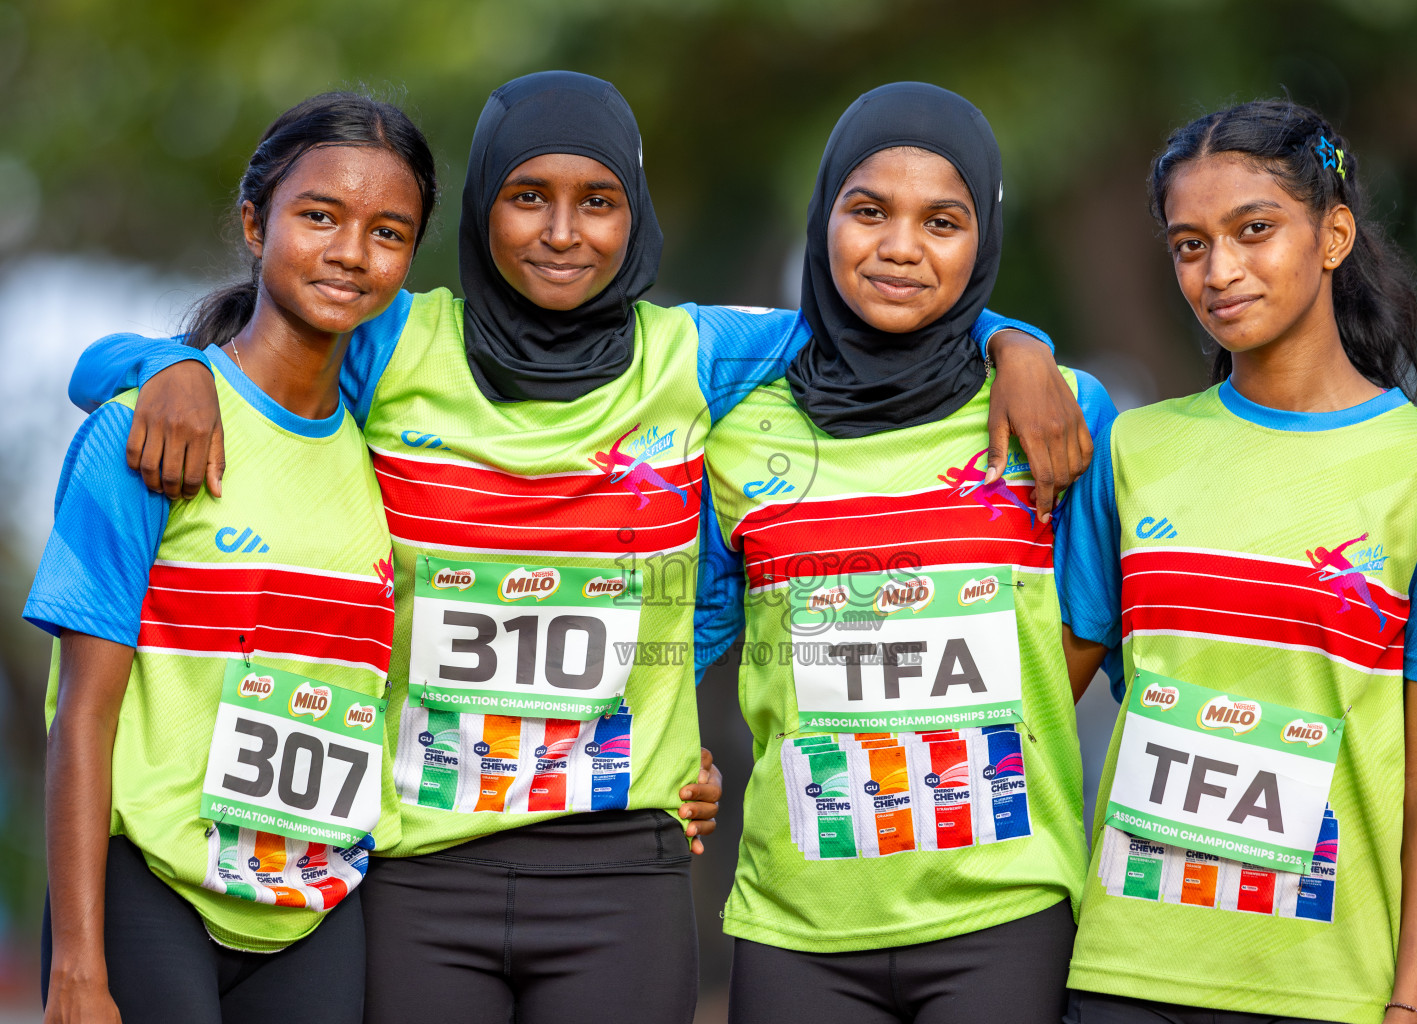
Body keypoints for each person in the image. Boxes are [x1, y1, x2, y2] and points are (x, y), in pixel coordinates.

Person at [65, 71, 1091, 1024]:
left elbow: (872, 300)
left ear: (634, 211)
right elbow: (259, 345)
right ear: (477, 212)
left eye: (597, 200)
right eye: (526, 197)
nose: (562, 233)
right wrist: (164, 363)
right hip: (421, 872)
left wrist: (1019, 344)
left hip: (622, 878)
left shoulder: (696, 357)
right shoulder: (396, 345)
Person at [1056, 100, 1417, 1024]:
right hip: (1124, 974)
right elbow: (1039, 696)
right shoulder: (1134, 451)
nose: (1220, 271)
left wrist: (1412, 1005)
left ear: (1333, 234)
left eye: (1254, 231)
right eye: (1188, 245)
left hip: (1325, 987)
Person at [701, 82, 1115, 1024]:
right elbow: (686, 631)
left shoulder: (1059, 412)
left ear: (984, 243)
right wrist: (679, 755)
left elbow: (1106, 615)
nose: (900, 248)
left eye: (943, 221)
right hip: (794, 923)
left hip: (1004, 910)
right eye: (868, 211)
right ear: (823, 217)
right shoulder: (736, 430)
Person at [25, 92, 438, 1024]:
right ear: (255, 223)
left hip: (313, 906)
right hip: (147, 891)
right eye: (318, 216)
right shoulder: (148, 436)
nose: (349, 252)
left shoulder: (385, 450)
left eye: (388, 231)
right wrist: (78, 967)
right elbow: (82, 715)